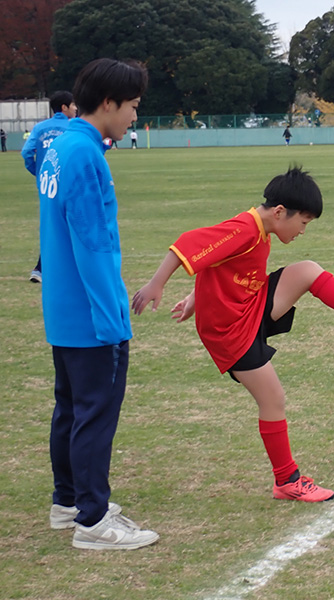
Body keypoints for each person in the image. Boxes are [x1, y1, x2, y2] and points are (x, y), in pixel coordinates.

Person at [132, 167, 334, 503]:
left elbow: (216, 260)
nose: (303, 231)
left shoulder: (259, 228)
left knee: (307, 270)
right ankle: (287, 480)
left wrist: (195, 298)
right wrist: (156, 284)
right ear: (280, 212)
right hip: (230, 332)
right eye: (303, 223)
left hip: (247, 308)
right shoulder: (244, 228)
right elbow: (186, 245)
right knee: (273, 400)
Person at [37, 58, 158, 550]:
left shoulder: (59, 147)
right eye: (132, 106)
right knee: (94, 414)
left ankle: (67, 502)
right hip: (91, 317)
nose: (134, 116)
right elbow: (93, 245)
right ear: (108, 103)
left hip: (63, 310)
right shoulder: (86, 155)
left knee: (70, 409)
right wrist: (112, 319)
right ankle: (92, 520)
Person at [21, 90, 78, 284]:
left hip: (47, 184)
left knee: (52, 223)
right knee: (73, 223)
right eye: (73, 105)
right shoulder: (73, 127)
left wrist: (39, 174)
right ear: (64, 107)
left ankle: (42, 268)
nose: (76, 108)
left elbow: (27, 153)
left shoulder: (40, 128)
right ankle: (45, 268)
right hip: (69, 182)